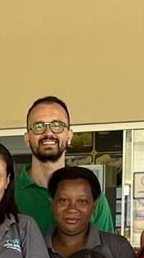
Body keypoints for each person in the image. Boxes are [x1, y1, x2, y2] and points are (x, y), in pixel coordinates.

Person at [14, 95, 115, 234]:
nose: (48, 133)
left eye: (57, 125)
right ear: (27, 138)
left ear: (69, 135)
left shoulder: (92, 196)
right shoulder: (8, 195)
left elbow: (106, 247)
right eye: (38, 126)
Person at [45, 166, 136, 258]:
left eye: (82, 201)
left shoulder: (118, 248)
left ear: (94, 206)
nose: (72, 209)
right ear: (52, 204)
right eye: (63, 200)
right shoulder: (33, 248)